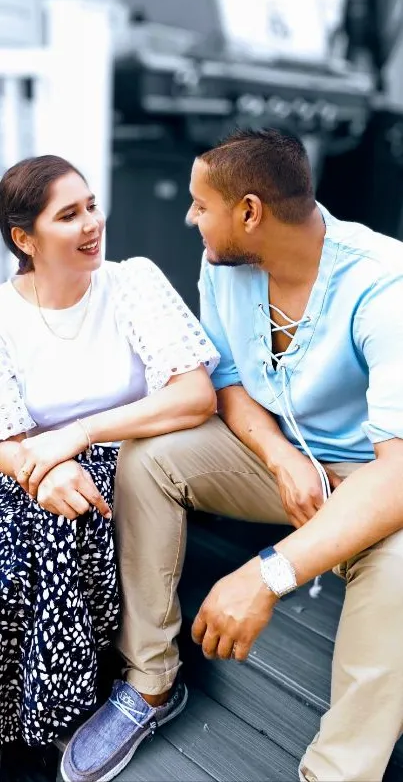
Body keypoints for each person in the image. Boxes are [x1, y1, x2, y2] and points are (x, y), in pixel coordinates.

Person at [62, 127, 403, 782]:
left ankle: (336, 773)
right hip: (284, 464)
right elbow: (226, 383)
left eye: (200, 204)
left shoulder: (386, 285)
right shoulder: (223, 262)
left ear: (249, 210)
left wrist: (267, 574)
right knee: (150, 455)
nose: (188, 216)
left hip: (375, 480)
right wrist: (277, 454)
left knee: (398, 572)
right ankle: (151, 682)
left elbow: (397, 471)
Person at [0, 154, 218, 748]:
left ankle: (62, 718)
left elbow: (195, 395)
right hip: (45, 466)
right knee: (26, 520)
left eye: (92, 205)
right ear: (26, 238)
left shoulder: (132, 281)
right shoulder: (3, 315)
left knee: (58, 523)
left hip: (138, 464)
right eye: (69, 215)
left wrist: (78, 436)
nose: (92, 223)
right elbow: (7, 436)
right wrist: (36, 469)